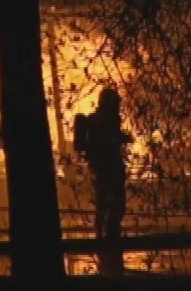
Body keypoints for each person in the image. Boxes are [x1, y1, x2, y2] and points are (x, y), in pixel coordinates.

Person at [73, 87, 130, 277]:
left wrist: (121, 137)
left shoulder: (102, 120)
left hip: (104, 168)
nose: (118, 107)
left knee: (105, 204)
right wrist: (118, 138)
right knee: (112, 205)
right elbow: (105, 141)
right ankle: (108, 247)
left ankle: (105, 245)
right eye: (116, 103)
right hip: (108, 167)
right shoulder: (103, 121)